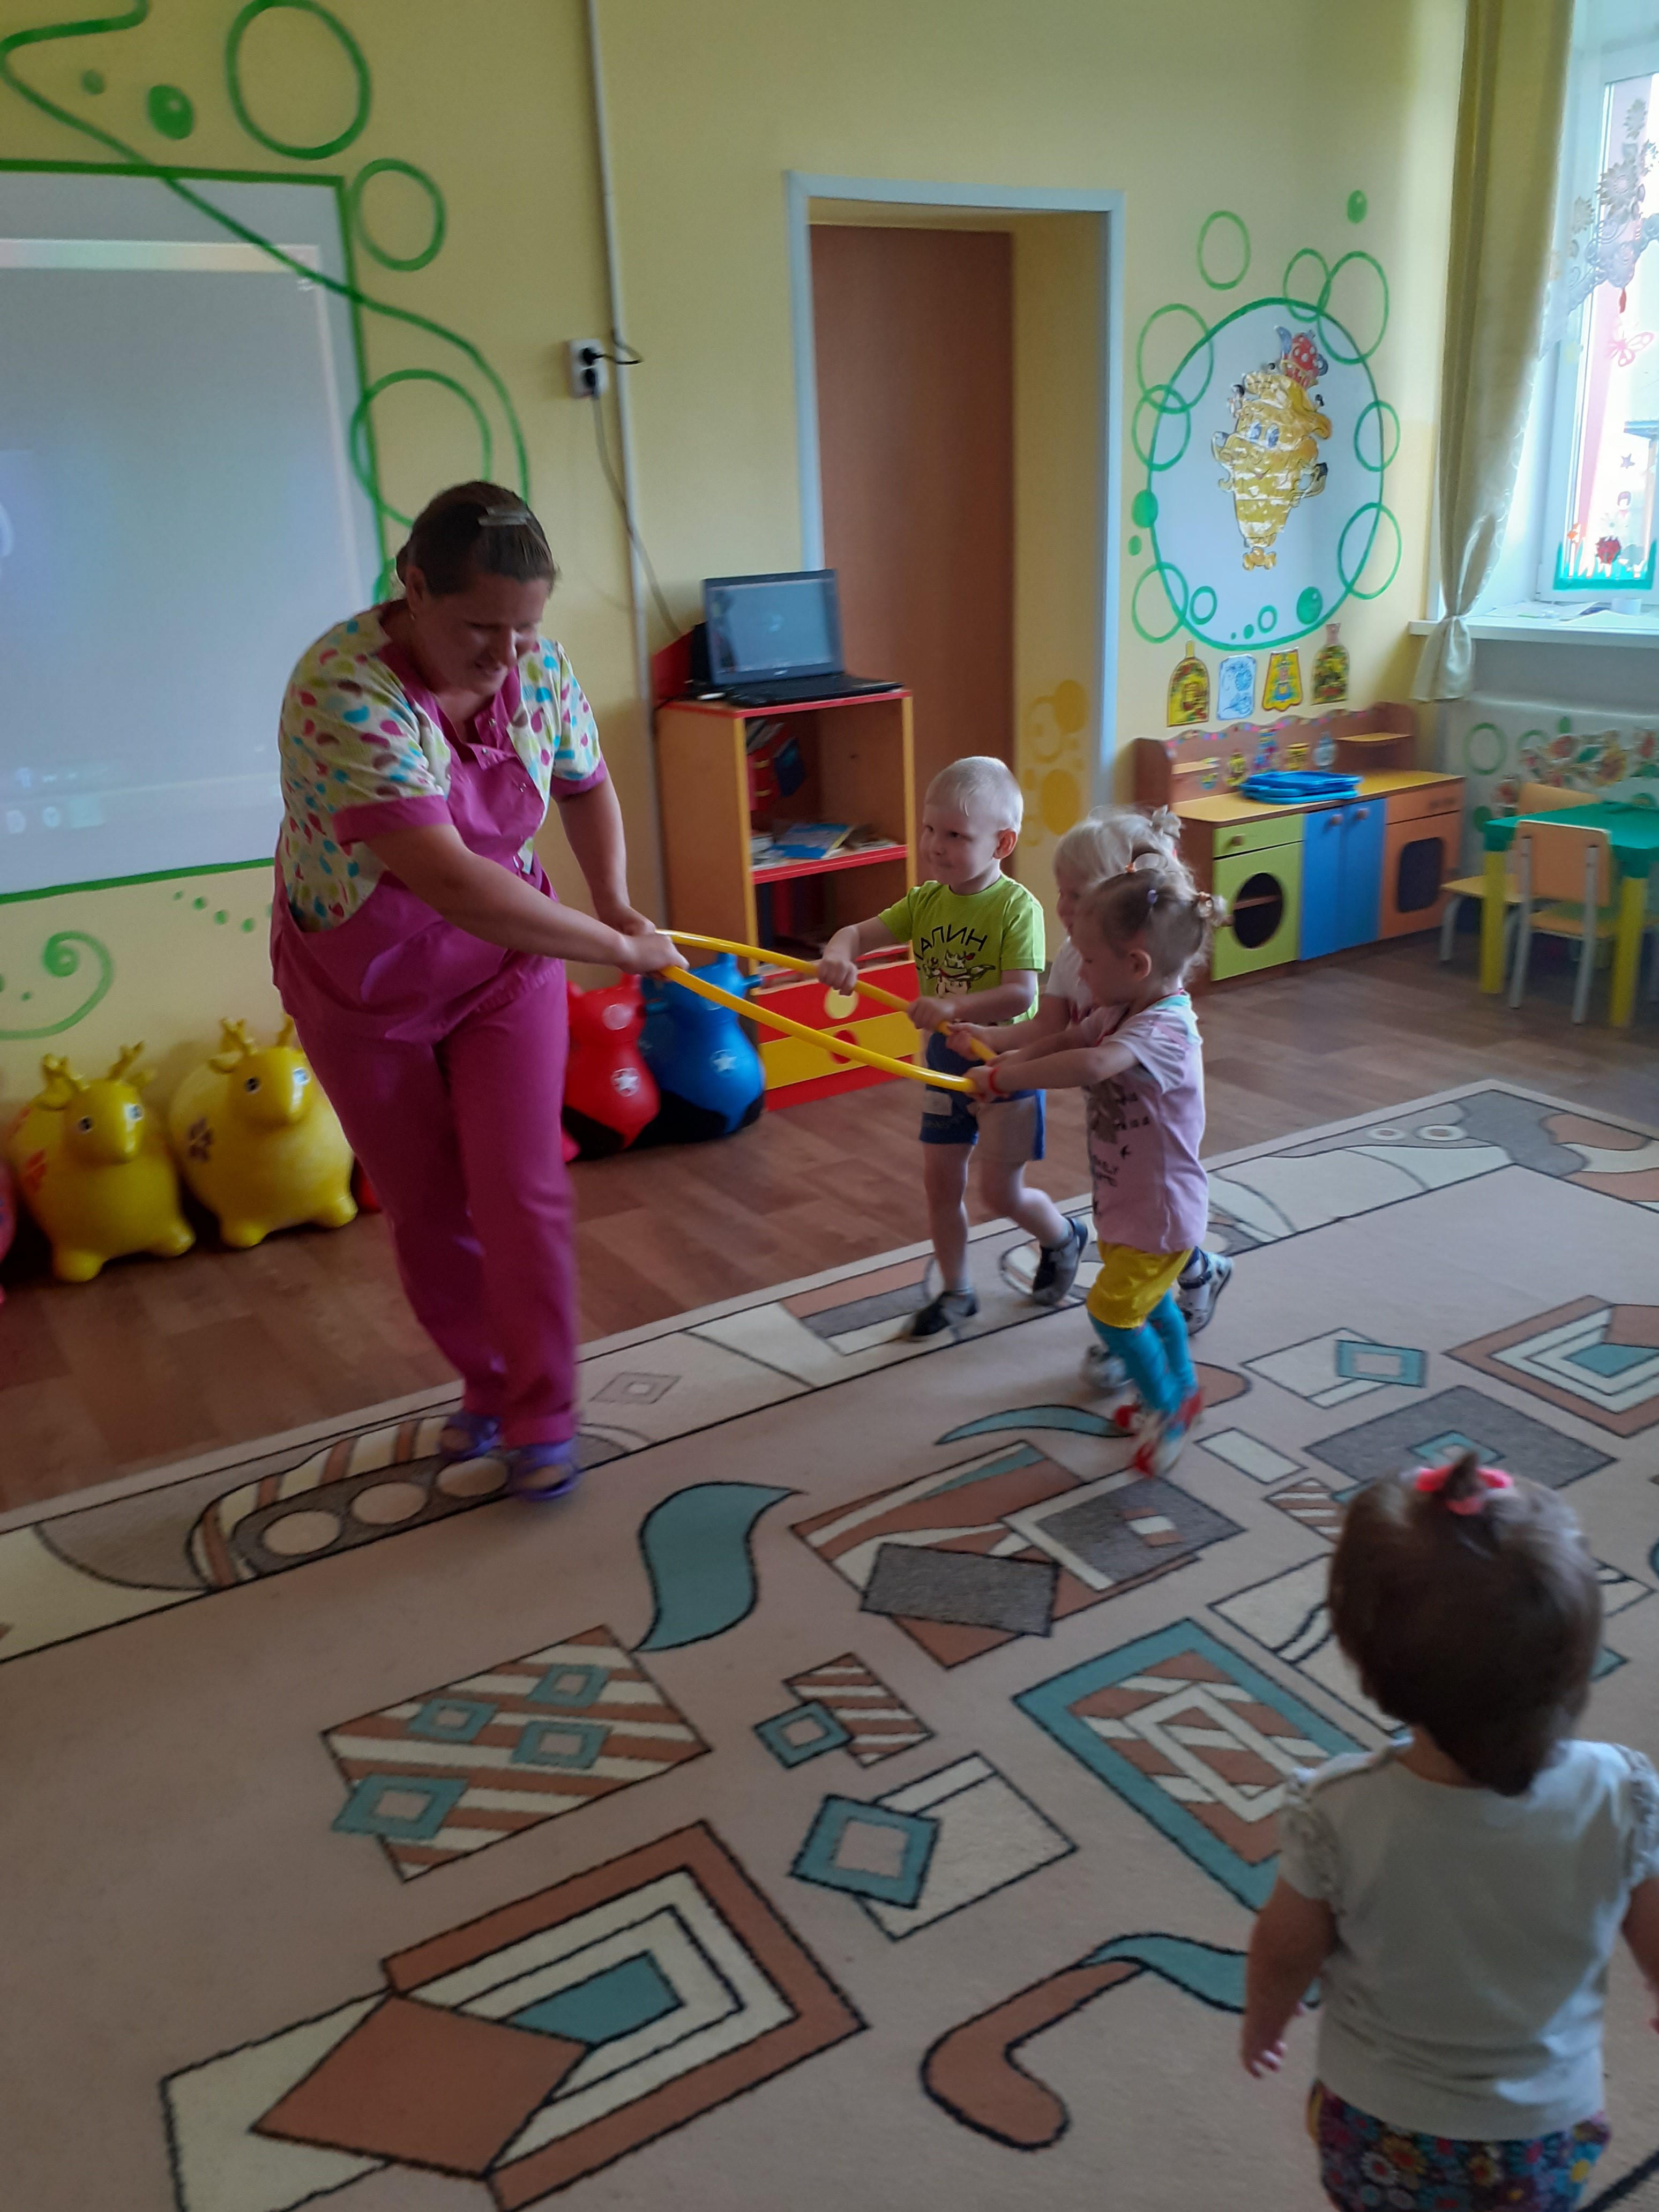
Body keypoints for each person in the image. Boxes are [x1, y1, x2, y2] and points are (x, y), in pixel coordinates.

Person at [271, 481, 683, 1499]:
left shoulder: (538, 665)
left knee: (521, 1188)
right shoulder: (341, 688)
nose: (508, 654)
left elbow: (585, 784)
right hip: (363, 984)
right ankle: (489, 1383)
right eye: (480, 628)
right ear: (414, 587)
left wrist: (618, 901)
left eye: (525, 627)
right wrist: (614, 949)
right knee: (425, 1206)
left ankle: (545, 1412)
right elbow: (452, 881)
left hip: (504, 971)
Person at [1241, 1451, 1659, 2212]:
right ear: (1579, 1656)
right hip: (1546, 2136)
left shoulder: (1334, 1811)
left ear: (1369, 1662)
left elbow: (1283, 1951)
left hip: (1378, 2131)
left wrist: (1264, 2024)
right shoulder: (1621, 1792)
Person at [951, 804, 1233, 1371]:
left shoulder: (1157, 1011)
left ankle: (1146, 1331)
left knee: (1149, 1241)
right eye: (1062, 892)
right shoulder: (1087, 963)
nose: (1063, 908)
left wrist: (1004, 1076)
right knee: (1131, 1235)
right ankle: (1152, 1320)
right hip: (1121, 1142)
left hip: (1154, 1154)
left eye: (1076, 895)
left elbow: (1093, 1060)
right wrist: (996, 1045)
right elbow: (1057, 1032)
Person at [816, 755, 1081, 1338]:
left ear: (1002, 843)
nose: (936, 846)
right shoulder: (925, 902)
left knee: (1000, 1193)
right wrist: (838, 953)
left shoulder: (1017, 908)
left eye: (956, 835)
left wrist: (954, 1006)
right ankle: (957, 1290)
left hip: (1006, 1064)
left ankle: (1063, 1237)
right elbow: (857, 934)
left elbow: (1021, 994)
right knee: (941, 1184)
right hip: (943, 1065)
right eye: (930, 829)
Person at [967, 862, 1217, 1474]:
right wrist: (1002, 1056)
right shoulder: (1122, 1010)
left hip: (1162, 1211)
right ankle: (1183, 1390)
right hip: (1132, 1202)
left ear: (1136, 964)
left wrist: (1004, 1081)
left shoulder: (1166, 1028)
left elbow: (1091, 1065)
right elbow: (1067, 1042)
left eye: (1087, 960)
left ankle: (1167, 1410)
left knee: (1111, 1312)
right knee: (1150, 1305)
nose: (1078, 974)